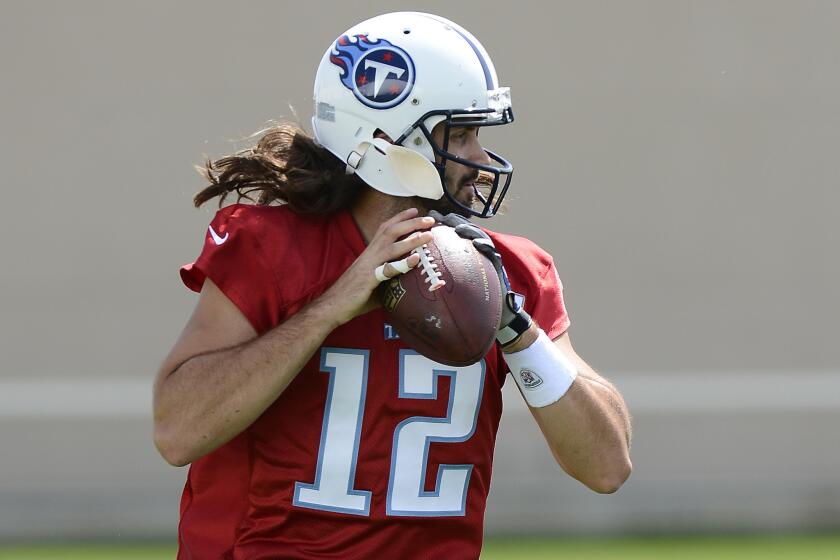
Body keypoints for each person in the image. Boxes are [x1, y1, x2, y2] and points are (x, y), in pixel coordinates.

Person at [154, 11, 632, 560]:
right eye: (460, 134)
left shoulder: (508, 270)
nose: (479, 159)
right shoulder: (272, 248)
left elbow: (607, 466)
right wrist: (331, 307)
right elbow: (178, 431)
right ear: (383, 137)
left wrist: (516, 329)